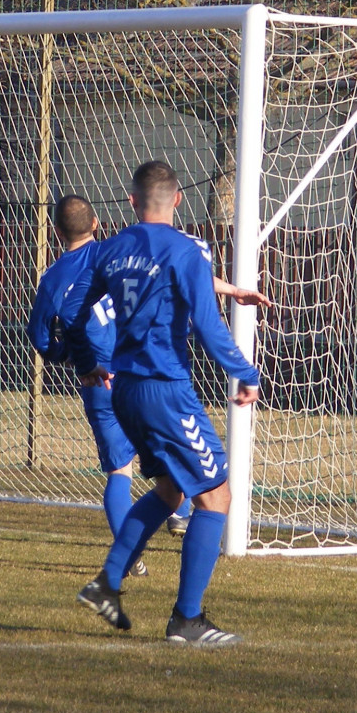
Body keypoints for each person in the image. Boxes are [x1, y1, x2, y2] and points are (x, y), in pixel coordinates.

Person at [68, 161, 261, 646]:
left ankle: (107, 583)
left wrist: (87, 361)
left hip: (124, 389)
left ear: (132, 201)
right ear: (177, 199)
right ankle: (187, 620)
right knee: (215, 496)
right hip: (164, 388)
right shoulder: (185, 249)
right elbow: (208, 325)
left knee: (172, 491)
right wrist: (246, 372)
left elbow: (73, 312)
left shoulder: (110, 249)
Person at [28, 194, 270, 557]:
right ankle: (180, 516)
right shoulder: (119, 251)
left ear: (57, 231)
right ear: (95, 223)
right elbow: (183, 276)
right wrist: (233, 289)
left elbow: (40, 337)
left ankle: (128, 559)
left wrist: (69, 356)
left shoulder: (53, 277)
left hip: (99, 380)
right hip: (142, 373)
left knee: (120, 472)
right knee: (174, 455)